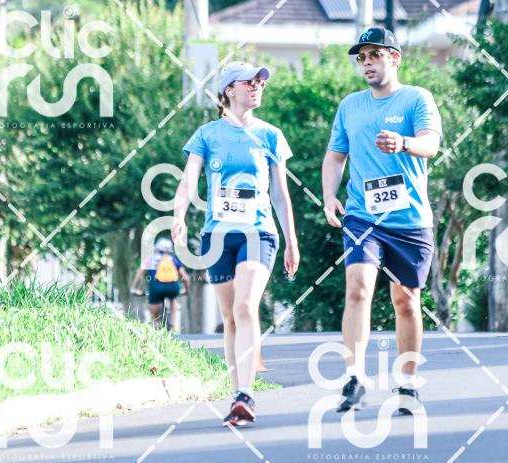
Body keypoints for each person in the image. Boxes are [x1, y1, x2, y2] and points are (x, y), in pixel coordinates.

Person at [322, 27, 442, 415]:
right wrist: (329, 195)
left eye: (375, 55)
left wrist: (404, 143)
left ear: (395, 58)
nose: (367, 63)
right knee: (358, 288)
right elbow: (335, 156)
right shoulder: (350, 106)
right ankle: (354, 379)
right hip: (363, 216)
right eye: (362, 58)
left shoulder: (416, 98)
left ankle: (407, 384)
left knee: (405, 301)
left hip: (409, 218)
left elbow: (431, 144)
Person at [172, 60, 300, 426]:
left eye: (261, 81)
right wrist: (179, 216)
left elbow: (280, 193)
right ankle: (237, 397)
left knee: (245, 306)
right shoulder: (207, 135)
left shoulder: (271, 135)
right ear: (229, 90)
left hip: (259, 233)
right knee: (229, 318)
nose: (258, 86)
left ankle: (247, 393)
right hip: (217, 236)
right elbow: (189, 180)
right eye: (250, 81)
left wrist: (291, 239)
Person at [131, 237, 190, 331]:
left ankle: (155, 325)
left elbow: (139, 274)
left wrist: (134, 288)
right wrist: (186, 290)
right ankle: (174, 325)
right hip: (172, 287)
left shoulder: (150, 259)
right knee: (173, 299)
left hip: (156, 287)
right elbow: (185, 277)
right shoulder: (172, 259)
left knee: (154, 313)